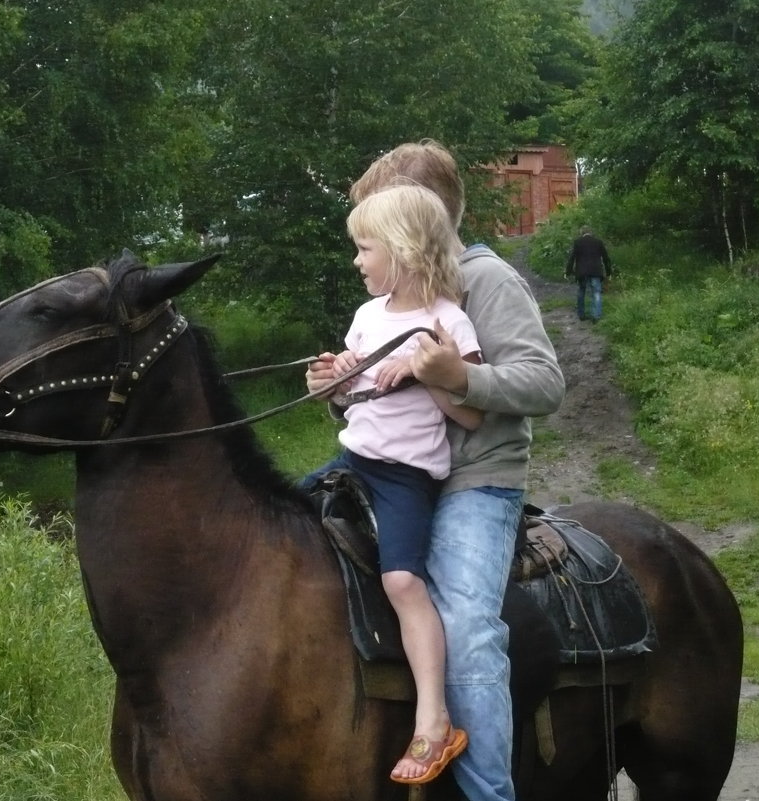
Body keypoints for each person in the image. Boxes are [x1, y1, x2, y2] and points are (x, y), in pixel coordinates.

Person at [306, 140, 565, 801]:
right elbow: (378, 388)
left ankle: (488, 793)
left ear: (423, 224)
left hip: (474, 478)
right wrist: (338, 387)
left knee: (468, 625)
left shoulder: (487, 281)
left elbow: (545, 382)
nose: (365, 253)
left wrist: (462, 376)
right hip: (392, 465)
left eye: (378, 228)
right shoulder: (389, 302)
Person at [306, 183, 483, 785]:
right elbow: (353, 394)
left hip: (404, 477)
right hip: (352, 460)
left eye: (365, 248)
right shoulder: (366, 316)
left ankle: (434, 722)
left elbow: (471, 414)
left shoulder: (447, 320)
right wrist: (330, 382)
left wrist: (429, 371)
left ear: (403, 251)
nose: (357, 261)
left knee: (404, 580)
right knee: (278, 520)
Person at [565, 225, 613, 322]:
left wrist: (568, 271)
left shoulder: (577, 242)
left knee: (581, 292)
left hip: (582, 272)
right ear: (591, 232)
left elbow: (572, 258)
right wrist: (609, 272)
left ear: (581, 233)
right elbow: (606, 258)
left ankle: (581, 315)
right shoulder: (598, 242)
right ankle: (596, 316)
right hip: (596, 271)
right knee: (596, 293)